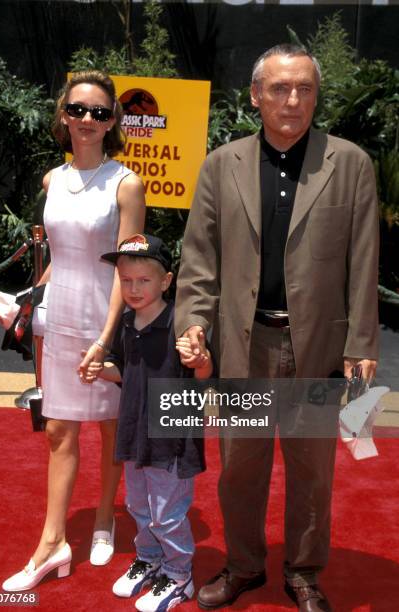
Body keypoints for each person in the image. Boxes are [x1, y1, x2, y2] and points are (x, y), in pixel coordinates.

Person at [175, 44, 379, 612]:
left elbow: (364, 260)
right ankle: (243, 566)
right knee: (241, 468)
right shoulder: (222, 163)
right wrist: (193, 321)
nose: (293, 100)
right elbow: (199, 259)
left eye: (305, 89)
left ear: (316, 95)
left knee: (312, 474)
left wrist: (361, 341)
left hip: (317, 346)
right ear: (256, 95)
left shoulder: (351, 163)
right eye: (281, 88)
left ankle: (304, 572)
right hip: (245, 344)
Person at [2, 70, 146, 591]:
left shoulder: (125, 183)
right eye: (79, 110)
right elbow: (59, 257)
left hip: (106, 319)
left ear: (113, 122)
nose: (88, 119)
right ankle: (53, 540)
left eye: (100, 112)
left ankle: (105, 516)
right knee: (59, 430)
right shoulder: (51, 180)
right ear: (64, 115)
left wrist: (108, 338)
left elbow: (126, 269)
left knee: (109, 427)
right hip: (57, 317)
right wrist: (26, 303)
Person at [86, 233, 212, 612]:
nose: (134, 288)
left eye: (144, 280)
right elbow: (126, 371)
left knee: (168, 514)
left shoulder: (181, 324)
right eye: (126, 280)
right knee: (138, 506)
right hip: (135, 434)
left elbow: (206, 375)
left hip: (170, 440)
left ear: (166, 281)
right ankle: (150, 559)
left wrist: (200, 358)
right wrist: (101, 370)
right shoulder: (126, 322)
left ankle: (179, 575)